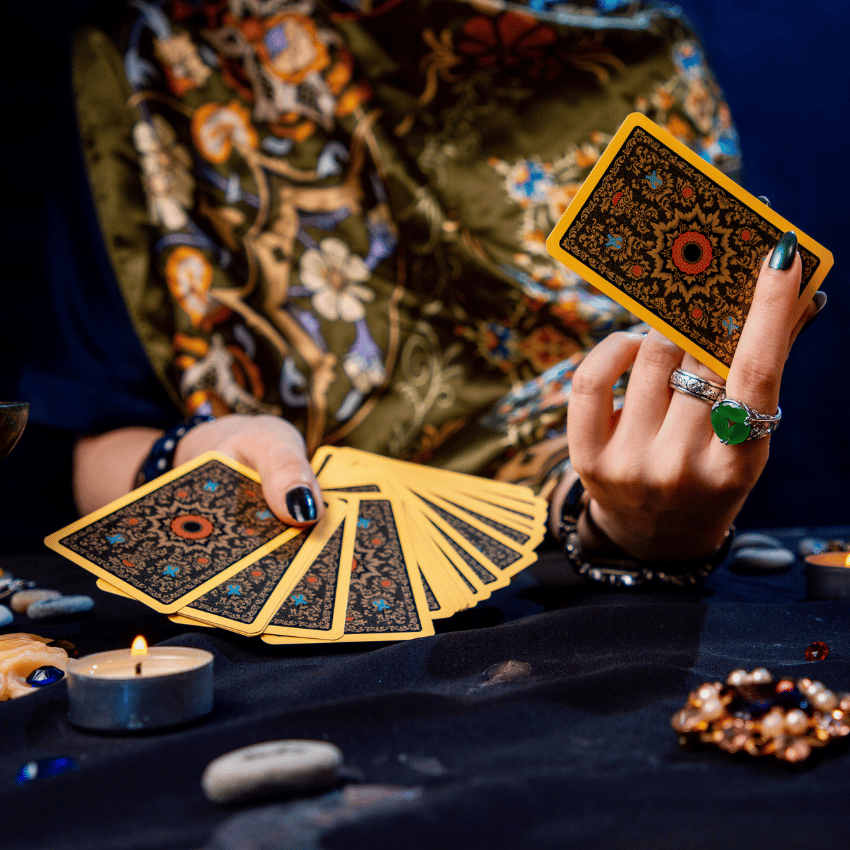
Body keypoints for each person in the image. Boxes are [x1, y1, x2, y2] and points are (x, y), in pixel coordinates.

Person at [67, 0, 822, 583]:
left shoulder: (683, 41)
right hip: (291, 621)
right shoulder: (157, 65)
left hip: (625, 619)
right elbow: (100, 435)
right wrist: (201, 462)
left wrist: (623, 523)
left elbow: (671, 429)